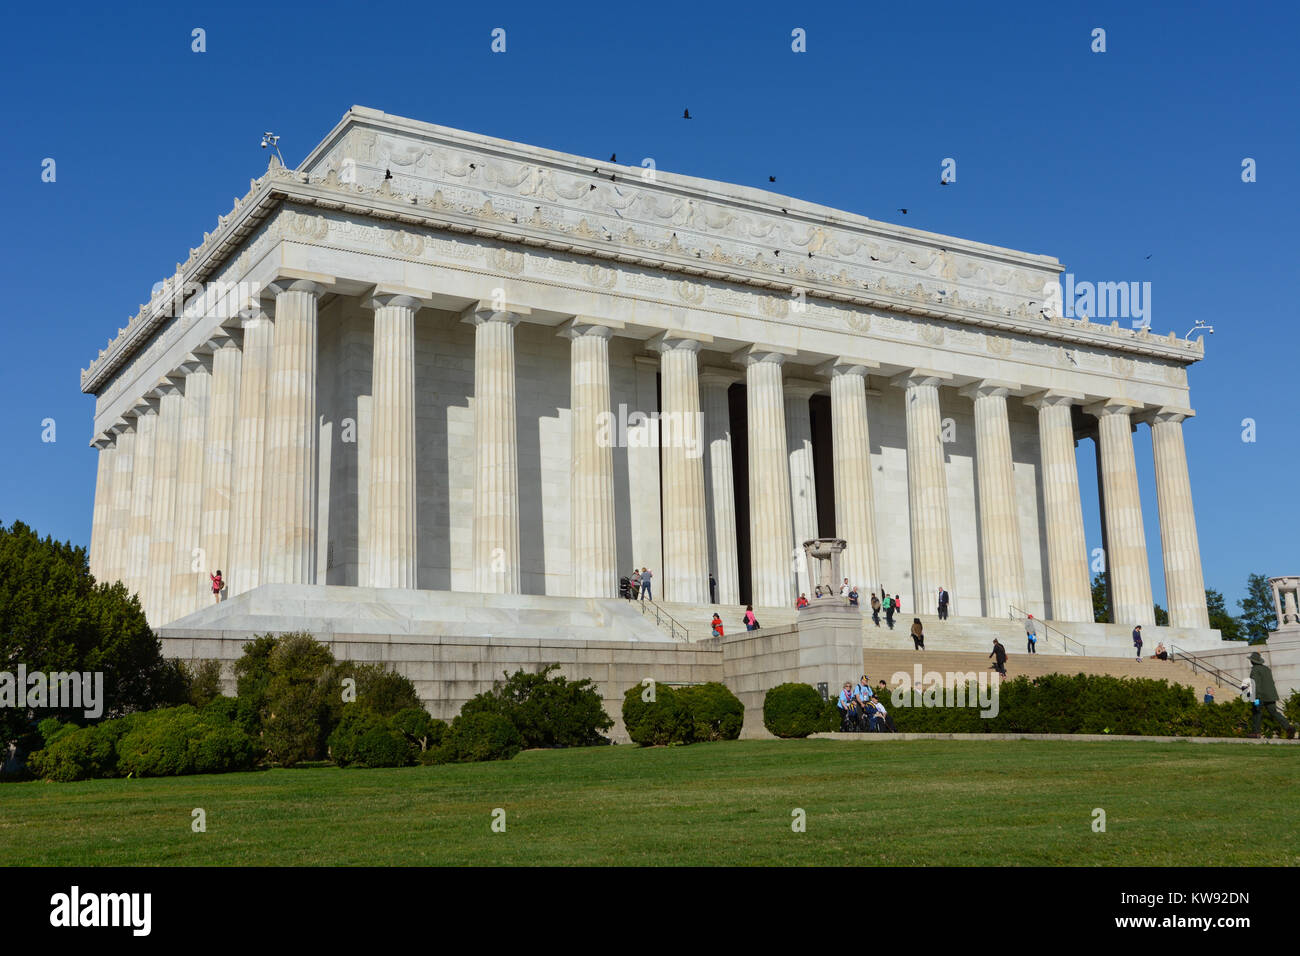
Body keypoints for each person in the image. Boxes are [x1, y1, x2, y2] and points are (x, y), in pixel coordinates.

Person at [1245, 651, 1296, 739]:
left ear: (1252, 661)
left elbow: (1255, 684)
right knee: (1274, 712)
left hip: (1260, 696)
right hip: (1271, 696)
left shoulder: (1255, 670)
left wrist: (1255, 698)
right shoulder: (1267, 669)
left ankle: (1256, 732)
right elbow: (1271, 682)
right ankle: (1288, 727)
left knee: (1256, 712)